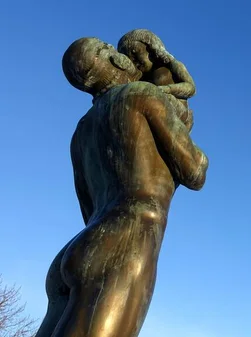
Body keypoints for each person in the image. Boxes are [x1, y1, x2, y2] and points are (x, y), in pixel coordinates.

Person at [35, 36, 209, 337]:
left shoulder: (82, 131)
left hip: (81, 246)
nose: (118, 54)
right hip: (129, 236)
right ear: (107, 63)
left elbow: (89, 210)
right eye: (107, 50)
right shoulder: (141, 94)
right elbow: (194, 173)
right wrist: (185, 133)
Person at [117, 29, 196, 130]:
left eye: (135, 53)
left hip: (176, 107)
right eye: (130, 58)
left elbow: (191, 88)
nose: (134, 61)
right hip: (151, 108)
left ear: (151, 48)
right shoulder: (141, 79)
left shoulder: (171, 66)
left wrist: (165, 89)